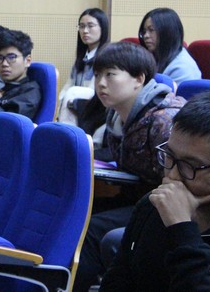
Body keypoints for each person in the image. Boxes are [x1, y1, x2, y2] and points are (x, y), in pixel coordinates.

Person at [74, 41, 186, 291]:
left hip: (164, 206)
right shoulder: (116, 116)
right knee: (76, 211)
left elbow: (180, 182)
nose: (100, 83)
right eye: (98, 75)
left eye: (110, 75)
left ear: (139, 79)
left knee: (89, 229)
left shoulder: (164, 120)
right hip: (135, 196)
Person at [99, 91, 210, 290]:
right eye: (169, 157)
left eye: (190, 166)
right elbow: (116, 283)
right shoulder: (152, 206)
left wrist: (182, 230)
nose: (172, 176)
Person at [57, 8, 110, 128]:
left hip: (97, 107)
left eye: (90, 26)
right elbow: (68, 85)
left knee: (73, 92)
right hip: (76, 104)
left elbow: (94, 90)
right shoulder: (82, 57)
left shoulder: (107, 56)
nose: (85, 31)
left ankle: (68, 132)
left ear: (102, 28)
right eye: (81, 26)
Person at [0, 29, 41, 122]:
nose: (4, 64)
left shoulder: (30, 92)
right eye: (0, 58)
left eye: (11, 57)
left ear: (27, 61)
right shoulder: (4, 88)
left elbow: (7, 124)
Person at [138, 7, 201, 84]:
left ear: (167, 32)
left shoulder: (182, 67)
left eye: (151, 30)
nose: (146, 36)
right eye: (144, 31)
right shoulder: (156, 57)